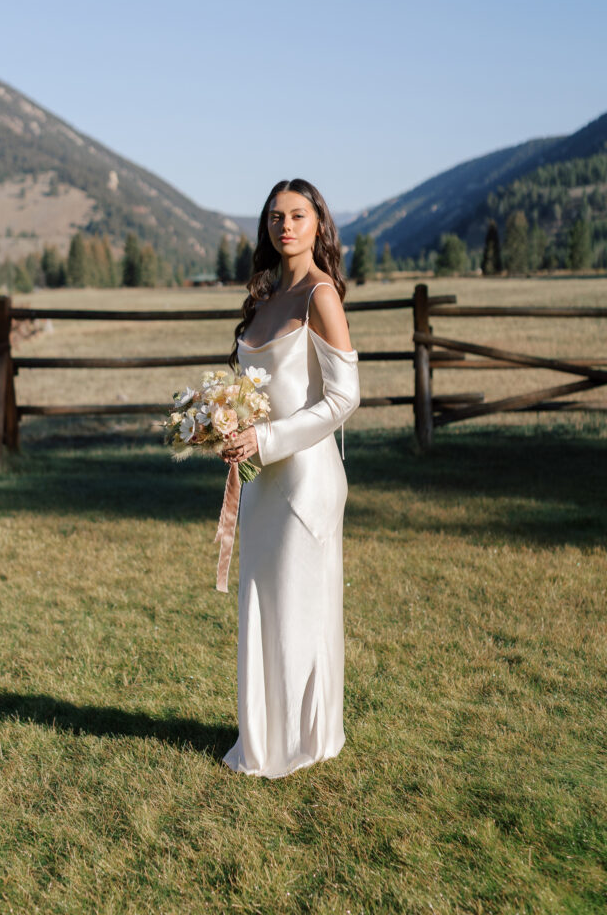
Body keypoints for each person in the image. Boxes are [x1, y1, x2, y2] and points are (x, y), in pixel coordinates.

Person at [221, 178, 360, 778]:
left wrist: (269, 438)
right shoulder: (264, 297)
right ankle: (264, 736)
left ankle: (307, 740)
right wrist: (226, 426)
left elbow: (344, 398)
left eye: (298, 215)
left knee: (300, 608)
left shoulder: (319, 296)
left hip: (305, 478)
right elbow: (255, 391)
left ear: (318, 223)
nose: (286, 226)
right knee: (264, 602)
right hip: (261, 479)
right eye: (276, 217)